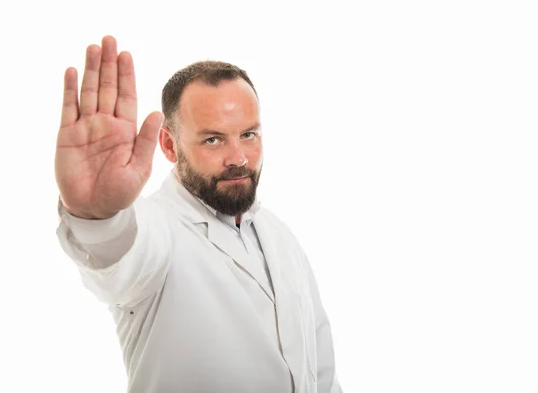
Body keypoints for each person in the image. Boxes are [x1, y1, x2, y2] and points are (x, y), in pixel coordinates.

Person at [55, 35, 343, 393]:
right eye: (213, 139)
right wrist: (96, 214)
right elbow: (118, 258)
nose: (238, 157)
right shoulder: (156, 231)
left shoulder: (280, 236)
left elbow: (322, 370)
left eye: (248, 134)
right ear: (169, 145)